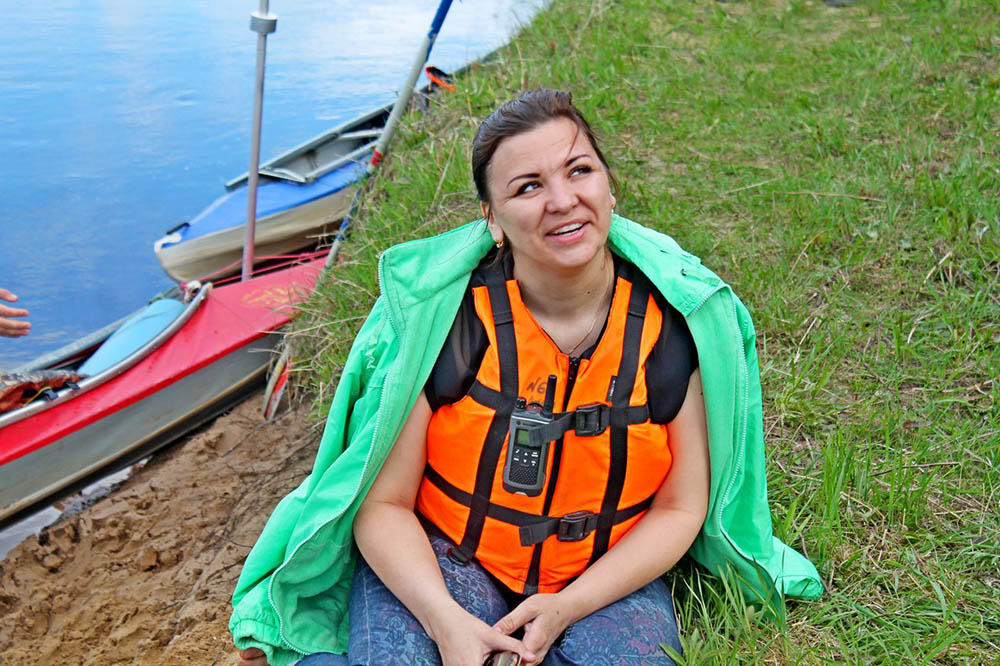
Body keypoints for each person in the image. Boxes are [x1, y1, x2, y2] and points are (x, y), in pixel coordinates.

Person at [232, 90, 822, 666]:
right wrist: (446, 623)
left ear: (610, 188)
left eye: (579, 170)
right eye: (528, 186)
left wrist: (570, 605)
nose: (562, 200)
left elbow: (680, 509)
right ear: (492, 219)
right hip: (446, 557)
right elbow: (382, 505)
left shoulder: (674, 326)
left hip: (603, 568)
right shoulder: (446, 323)